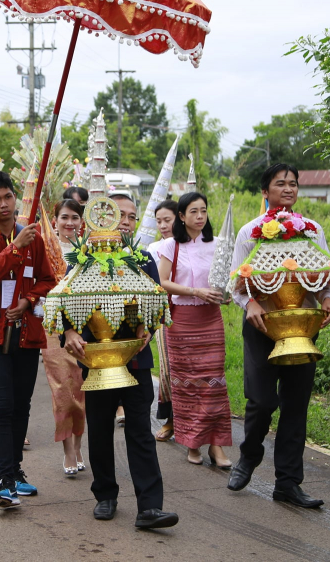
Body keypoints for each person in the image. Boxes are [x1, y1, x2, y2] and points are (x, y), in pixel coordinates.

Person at [63, 193, 178, 529]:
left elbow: (156, 301)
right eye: (119, 215)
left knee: (140, 431)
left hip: (135, 359)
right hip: (96, 360)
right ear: (102, 219)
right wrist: (68, 333)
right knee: (100, 429)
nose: (125, 222)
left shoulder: (142, 259)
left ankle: (150, 507)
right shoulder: (82, 259)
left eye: (131, 216)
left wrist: (148, 326)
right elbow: (64, 301)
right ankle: (105, 495)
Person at [227, 164, 330, 509]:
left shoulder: (312, 231)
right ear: (265, 192)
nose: (288, 189)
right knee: (261, 401)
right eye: (280, 183)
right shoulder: (250, 232)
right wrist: (250, 304)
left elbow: (324, 274)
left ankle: (288, 483)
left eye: (293, 183)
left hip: (302, 326)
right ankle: (249, 455)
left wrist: (328, 299)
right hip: (262, 325)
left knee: (295, 404)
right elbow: (235, 282)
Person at [0, 171, 56, 508]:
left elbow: (48, 279)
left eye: (8, 196)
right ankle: (4, 480)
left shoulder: (34, 237)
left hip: (26, 333)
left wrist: (28, 300)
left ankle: (17, 472)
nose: (4, 204)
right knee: (2, 406)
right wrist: (14, 247)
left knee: (22, 405)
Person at [156, 192, 233, 469]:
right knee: (187, 384)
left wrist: (225, 294)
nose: (200, 217)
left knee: (214, 382)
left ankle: (216, 444)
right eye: (193, 212)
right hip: (182, 321)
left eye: (203, 211)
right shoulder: (170, 245)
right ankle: (191, 442)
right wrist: (195, 291)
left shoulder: (218, 244)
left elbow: (227, 278)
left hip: (211, 319)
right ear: (181, 216)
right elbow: (162, 281)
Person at [45, 198, 86, 475]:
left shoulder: (88, 250)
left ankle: (79, 444)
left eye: (74, 217)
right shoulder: (45, 249)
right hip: (53, 326)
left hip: (85, 324)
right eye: (64, 217)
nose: (69, 222)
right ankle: (68, 450)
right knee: (61, 388)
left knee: (82, 388)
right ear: (55, 220)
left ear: (81, 222)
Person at [148, 199, 177, 442]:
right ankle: (171, 419)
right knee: (168, 367)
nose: (163, 225)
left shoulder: (191, 245)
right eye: (159, 221)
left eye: (168, 220)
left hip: (193, 312)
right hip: (165, 312)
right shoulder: (154, 248)